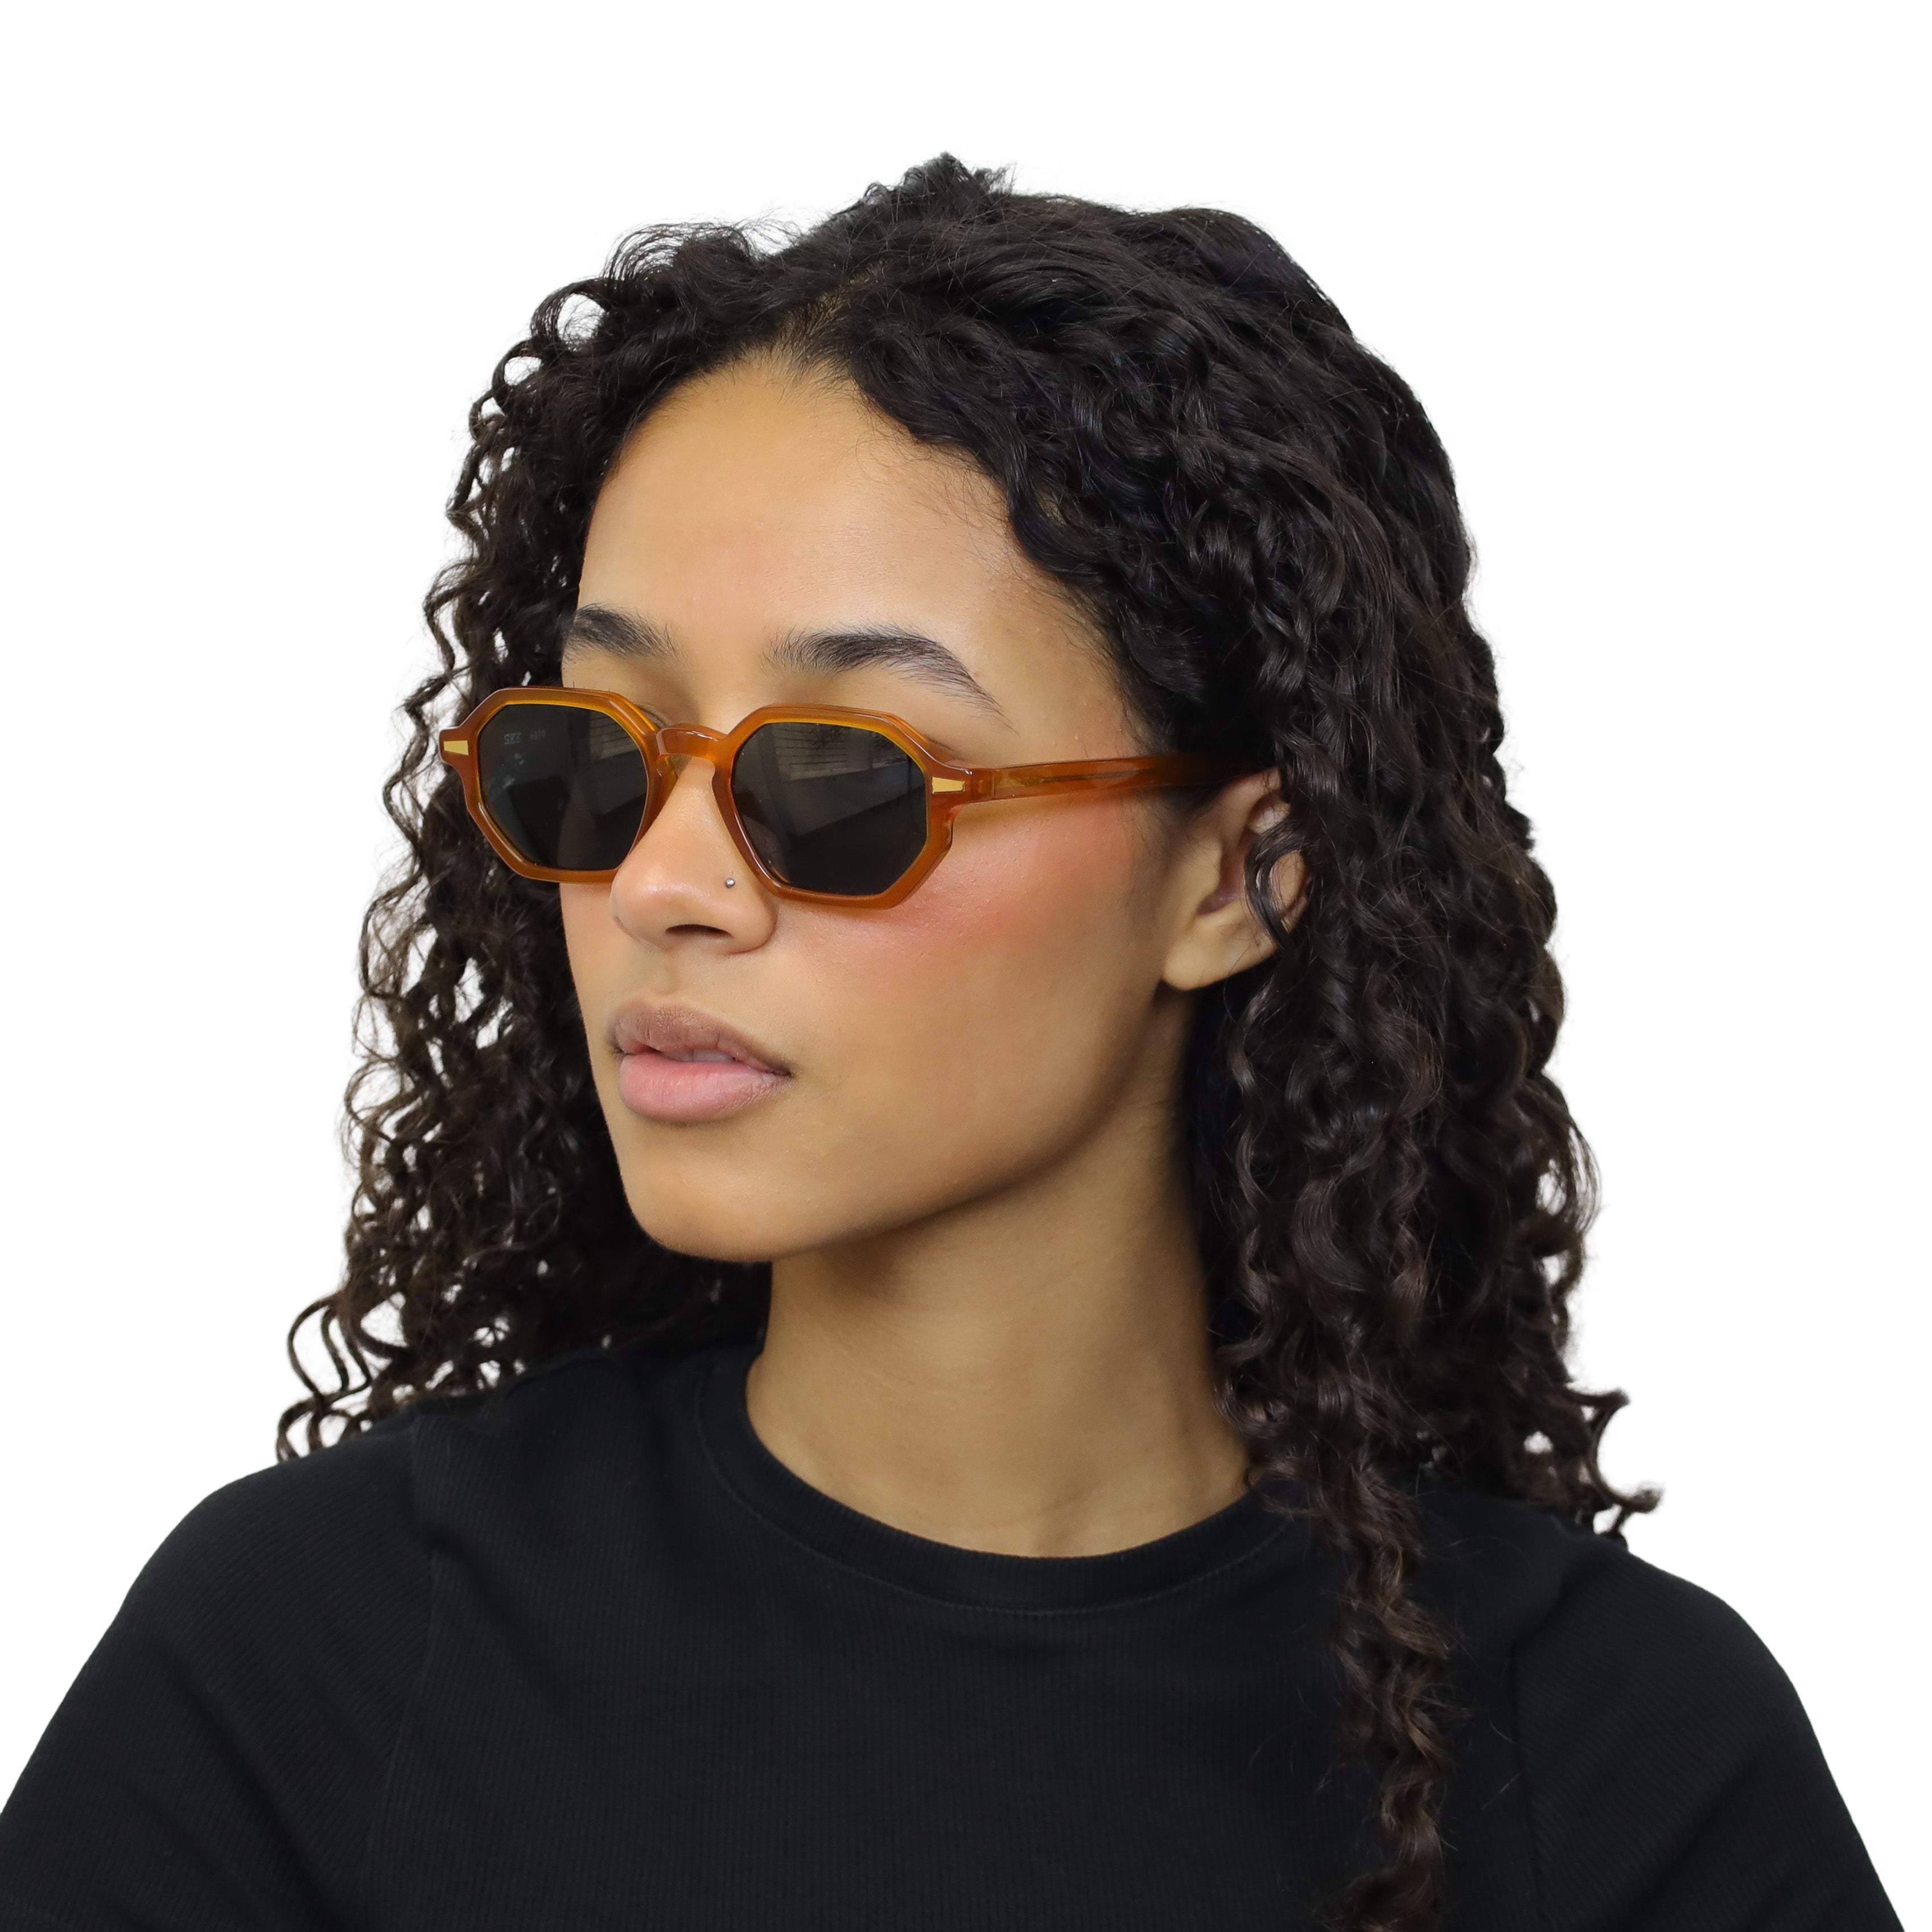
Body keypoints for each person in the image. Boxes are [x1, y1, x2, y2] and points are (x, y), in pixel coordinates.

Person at [0, 158, 1898, 1932]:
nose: (661, 884)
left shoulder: (1619, 1753)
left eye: (839, 780)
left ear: (1241, 874)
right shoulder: (319, 1656)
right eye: (593, 754)